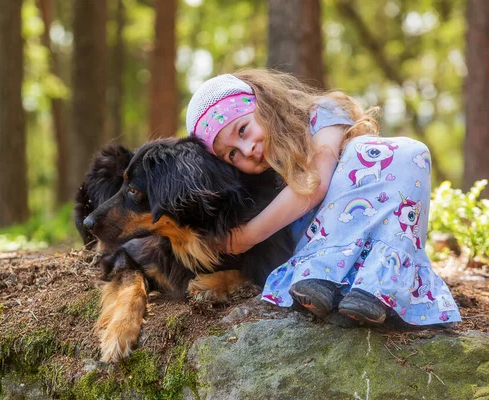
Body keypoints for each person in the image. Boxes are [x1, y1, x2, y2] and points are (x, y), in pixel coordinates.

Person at [185, 69, 461, 326]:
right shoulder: (253, 185)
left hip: (363, 230)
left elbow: (314, 183)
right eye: (232, 154)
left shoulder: (321, 115)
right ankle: (318, 278)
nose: (247, 150)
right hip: (306, 247)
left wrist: (247, 237)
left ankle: (377, 286)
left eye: (243, 130)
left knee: (401, 152)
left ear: (263, 104)